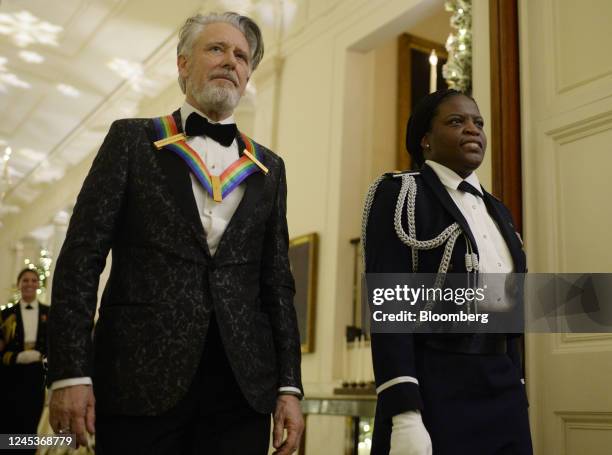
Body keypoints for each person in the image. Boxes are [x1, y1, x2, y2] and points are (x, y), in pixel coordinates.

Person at [47, 11, 304, 455]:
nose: (231, 61)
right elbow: (81, 257)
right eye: (217, 49)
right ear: (183, 64)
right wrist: (70, 372)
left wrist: (289, 387)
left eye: (241, 56)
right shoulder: (131, 141)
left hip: (241, 386)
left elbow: (276, 283)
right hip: (137, 377)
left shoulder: (270, 168)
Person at [363, 89, 532, 455]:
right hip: (436, 386)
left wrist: (518, 381)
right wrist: (404, 413)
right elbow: (389, 309)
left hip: (503, 388)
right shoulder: (400, 194)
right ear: (425, 139)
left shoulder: (499, 211)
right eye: (456, 121)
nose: (473, 130)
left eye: (478, 123)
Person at [0, 268, 49, 448]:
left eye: (33, 280)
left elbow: (54, 346)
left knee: (30, 424)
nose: (29, 284)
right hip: (10, 378)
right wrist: (16, 357)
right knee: (8, 424)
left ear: (38, 284)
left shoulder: (49, 313)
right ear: (19, 284)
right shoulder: (6, 315)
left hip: (36, 379)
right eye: (25, 280)